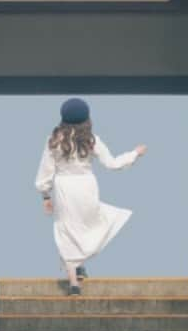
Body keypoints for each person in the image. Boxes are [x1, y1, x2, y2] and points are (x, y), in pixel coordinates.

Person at [34, 98, 146, 295]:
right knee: (86, 225)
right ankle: (79, 266)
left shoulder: (54, 140)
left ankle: (74, 283)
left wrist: (45, 196)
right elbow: (112, 163)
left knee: (66, 230)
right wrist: (134, 154)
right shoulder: (91, 139)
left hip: (64, 187)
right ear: (87, 117)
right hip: (86, 186)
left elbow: (45, 171)